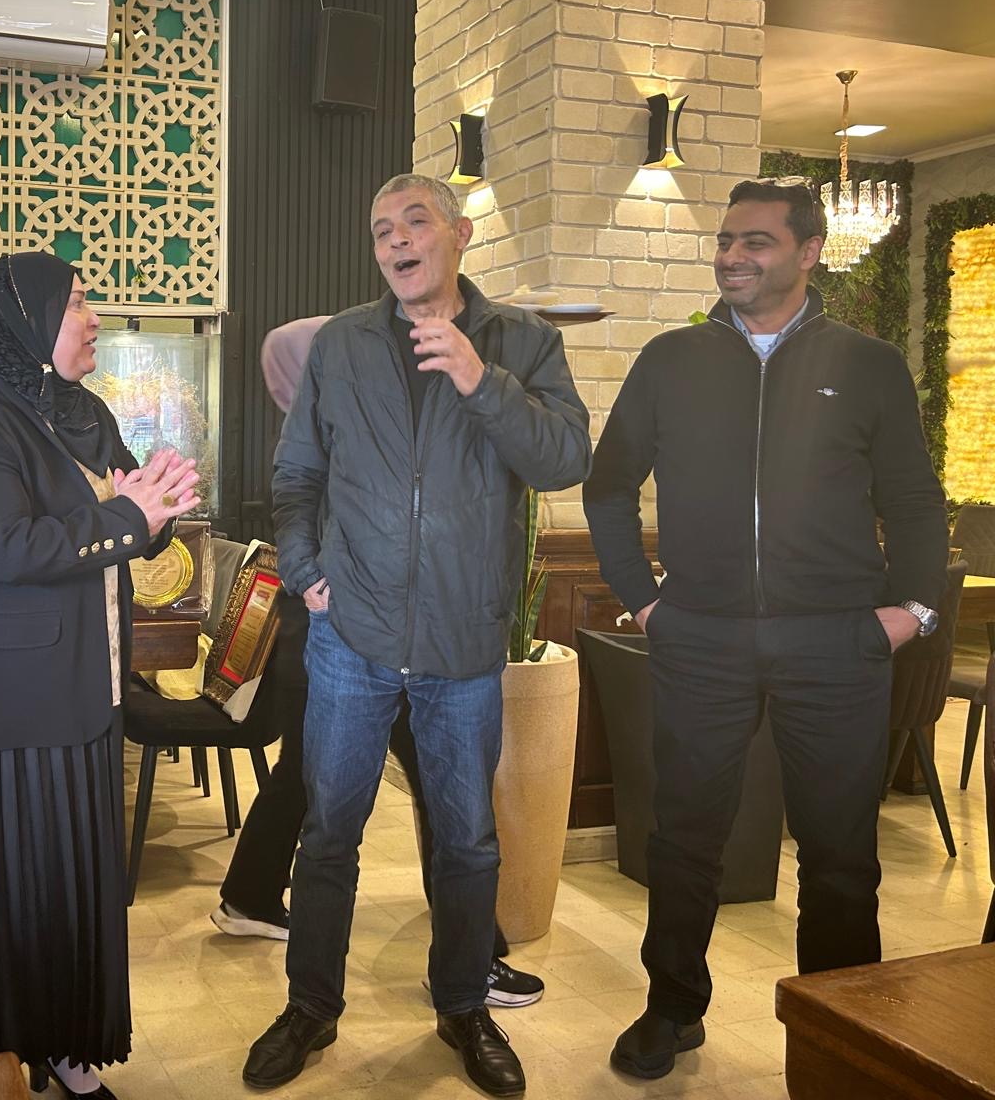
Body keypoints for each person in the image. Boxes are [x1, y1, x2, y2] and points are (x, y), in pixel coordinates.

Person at [584, 178, 949, 1080]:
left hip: (835, 643)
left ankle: (840, 1031)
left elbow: (912, 500)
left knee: (840, 856)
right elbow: (609, 485)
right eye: (725, 241)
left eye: (755, 241)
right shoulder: (672, 359)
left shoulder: (866, 364)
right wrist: (645, 601)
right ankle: (672, 1008)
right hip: (700, 638)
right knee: (683, 841)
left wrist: (913, 611)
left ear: (809, 251)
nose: (732, 256)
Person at [243, 174, 591, 1097]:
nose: (395, 240)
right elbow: (297, 474)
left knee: (468, 842)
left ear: (460, 234)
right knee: (329, 834)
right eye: (380, 230)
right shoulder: (343, 345)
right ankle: (310, 1007)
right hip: (349, 638)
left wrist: (481, 381)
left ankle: (464, 1006)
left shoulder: (522, 342)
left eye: (414, 221)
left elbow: (564, 457)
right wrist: (305, 568)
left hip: (463, 644)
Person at [0, 252, 201, 1100]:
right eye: (77, 302)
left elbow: (126, 520)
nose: (94, 316)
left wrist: (154, 510)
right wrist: (130, 515)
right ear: (28, 321)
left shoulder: (86, 414)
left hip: (88, 680)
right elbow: (7, 549)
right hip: (6, 700)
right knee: (9, 885)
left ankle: (71, 1050)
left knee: (75, 884)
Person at [215, 314, 546, 1012]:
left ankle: (249, 896)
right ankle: (469, 959)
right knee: (393, 798)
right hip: (341, 622)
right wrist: (310, 573)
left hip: (376, 623)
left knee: (318, 781)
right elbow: (302, 490)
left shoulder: (367, 394)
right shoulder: (330, 389)